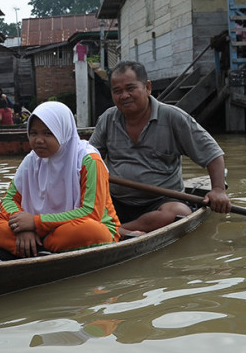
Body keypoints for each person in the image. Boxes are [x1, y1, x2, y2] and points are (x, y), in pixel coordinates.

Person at [89, 60, 231, 233]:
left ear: (147, 87)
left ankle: (113, 231)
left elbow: (212, 154)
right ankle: (114, 231)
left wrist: (218, 190)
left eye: (130, 88)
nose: (124, 95)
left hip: (161, 202)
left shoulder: (173, 117)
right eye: (117, 91)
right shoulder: (107, 119)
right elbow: (89, 160)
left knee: (179, 213)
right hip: (115, 201)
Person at [0, 101, 119, 259]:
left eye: (48, 133)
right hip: (38, 230)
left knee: (92, 230)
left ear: (62, 132)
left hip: (77, 229)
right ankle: (38, 248)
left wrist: (36, 222)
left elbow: (91, 213)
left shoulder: (88, 160)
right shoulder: (31, 160)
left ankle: (29, 249)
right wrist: (22, 226)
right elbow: (9, 200)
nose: (38, 140)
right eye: (34, 133)